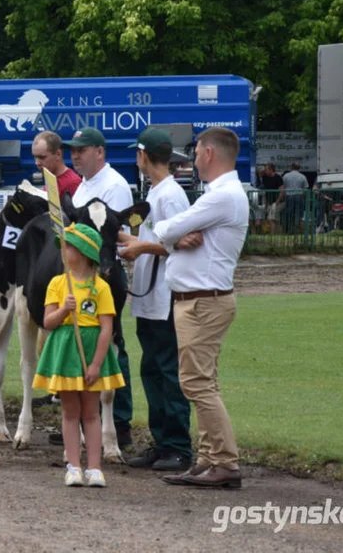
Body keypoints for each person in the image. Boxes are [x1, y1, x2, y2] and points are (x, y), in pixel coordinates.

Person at [153, 126, 249, 489]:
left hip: (202, 303)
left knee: (197, 384)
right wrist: (177, 236)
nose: (193, 160)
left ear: (209, 153)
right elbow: (178, 235)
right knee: (202, 381)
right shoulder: (220, 195)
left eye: (195, 153)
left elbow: (167, 228)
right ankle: (210, 457)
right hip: (201, 301)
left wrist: (171, 233)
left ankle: (224, 462)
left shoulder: (222, 196)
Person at [116, 128, 193, 472]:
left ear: (144, 155)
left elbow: (183, 241)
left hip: (165, 297)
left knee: (167, 371)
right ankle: (162, 443)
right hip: (151, 297)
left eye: (138, 153)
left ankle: (177, 446)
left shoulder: (171, 195)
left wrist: (139, 247)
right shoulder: (157, 192)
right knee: (153, 370)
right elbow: (155, 237)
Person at [32, 223, 125, 488]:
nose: (64, 250)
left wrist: (96, 363)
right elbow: (48, 322)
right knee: (70, 412)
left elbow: (107, 328)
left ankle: (94, 468)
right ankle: (73, 466)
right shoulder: (57, 283)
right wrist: (64, 310)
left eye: (70, 246)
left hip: (92, 351)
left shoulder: (101, 287)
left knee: (91, 413)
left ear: (84, 253)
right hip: (65, 354)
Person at [63, 126, 135, 447]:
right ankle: (84, 419)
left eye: (82, 149)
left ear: (100, 152)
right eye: (73, 150)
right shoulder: (84, 186)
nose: (75, 155)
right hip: (83, 275)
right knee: (86, 343)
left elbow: (116, 233)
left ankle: (119, 423)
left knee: (113, 343)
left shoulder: (115, 186)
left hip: (105, 275)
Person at [31, 131, 81, 198]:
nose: (37, 163)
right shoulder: (51, 177)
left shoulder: (72, 184)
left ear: (58, 154)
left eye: (42, 157)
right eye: (35, 157)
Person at [281, 162, 309, 234]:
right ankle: (295, 230)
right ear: (299, 168)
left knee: (288, 213)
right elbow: (306, 188)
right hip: (298, 196)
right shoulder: (302, 176)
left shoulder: (286, 176)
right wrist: (302, 195)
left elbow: (282, 187)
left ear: (291, 167)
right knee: (297, 214)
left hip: (289, 196)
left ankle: (286, 230)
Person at [259, 163, 284, 233]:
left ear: (271, 170)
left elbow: (282, 191)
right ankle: (277, 233)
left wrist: (277, 203)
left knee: (271, 219)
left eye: (266, 170)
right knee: (274, 220)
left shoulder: (278, 178)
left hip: (278, 202)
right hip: (270, 202)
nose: (265, 171)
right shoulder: (265, 177)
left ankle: (272, 236)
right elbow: (260, 173)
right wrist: (267, 204)